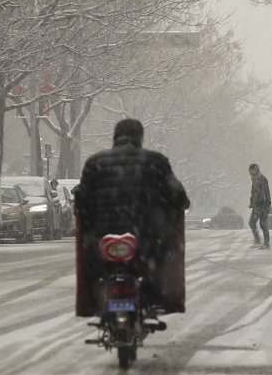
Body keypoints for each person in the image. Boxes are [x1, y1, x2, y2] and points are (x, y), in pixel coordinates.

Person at [74, 118, 190, 317]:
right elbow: (179, 197)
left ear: (115, 136)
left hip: (103, 239)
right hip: (146, 239)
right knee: (157, 267)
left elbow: (82, 202)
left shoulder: (95, 163)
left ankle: (94, 302)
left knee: (97, 270)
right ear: (140, 137)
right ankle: (155, 300)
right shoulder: (156, 162)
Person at [248, 163, 271, 249]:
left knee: (255, 222)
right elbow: (254, 193)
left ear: (254, 170)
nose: (249, 172)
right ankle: (264, 242)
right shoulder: (256, 178)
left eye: (250, 170)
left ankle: (262, 242)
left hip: (261, 205)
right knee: (261, 223)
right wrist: (252, 202)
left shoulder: (259, 178)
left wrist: (255, 203)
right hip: (261, 204)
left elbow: (259, 193)